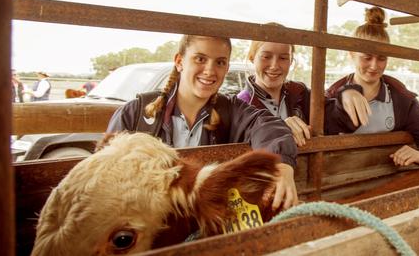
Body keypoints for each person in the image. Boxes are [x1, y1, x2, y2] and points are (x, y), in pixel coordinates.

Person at [107, 35, 299, 210]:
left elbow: (267, 125)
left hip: (204, 226)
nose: (209, 71)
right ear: (179, 61)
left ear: (227, 68)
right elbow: (105, 178)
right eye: (200, 59)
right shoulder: (135, 114)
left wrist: (281, 164)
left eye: (220, 62)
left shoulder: (231, 110)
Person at [324, 7, 419, 167]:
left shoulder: (402, 101)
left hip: (387, 180)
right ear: (351, 54)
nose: (374, 66)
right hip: (335, 182)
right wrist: (344, 94)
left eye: (382, 58)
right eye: (367, 57)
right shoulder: (330, 97)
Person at [237, 24, 312, 146]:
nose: (274, 66)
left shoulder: (300, 92)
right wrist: (281, 127)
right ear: (252, 58)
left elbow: (333, 113)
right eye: (266, 57)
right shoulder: (241, 104)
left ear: (291, 61)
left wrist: (347, 92)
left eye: (283, 58)